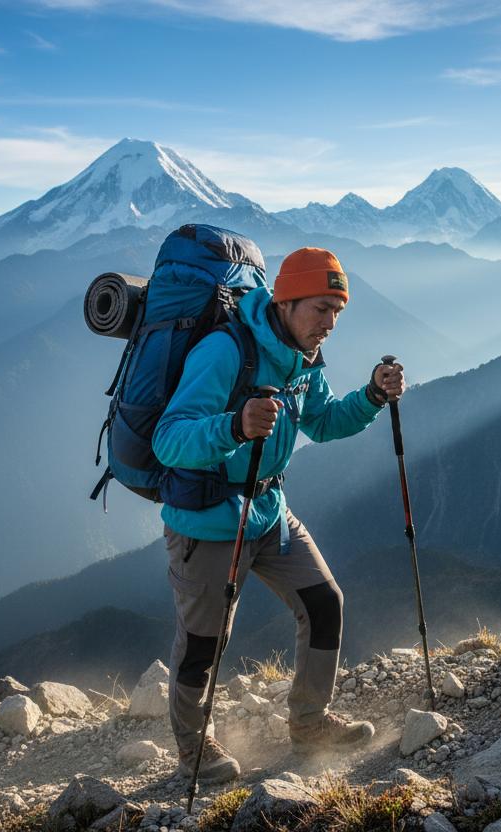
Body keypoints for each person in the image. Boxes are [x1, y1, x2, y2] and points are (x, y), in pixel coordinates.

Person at [152, 246, 406, 783]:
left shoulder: (302, 356)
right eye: (321, 308)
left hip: (268, 512)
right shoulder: (225, 351)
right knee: (203, 645)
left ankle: (309, 724)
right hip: (208, 522)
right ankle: (194, 751)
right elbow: (168, 440)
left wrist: (371, 396)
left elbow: (323, 421)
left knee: (324, 603)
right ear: (286, 302)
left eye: (338, 311)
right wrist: (234, 426)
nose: (330, 323)